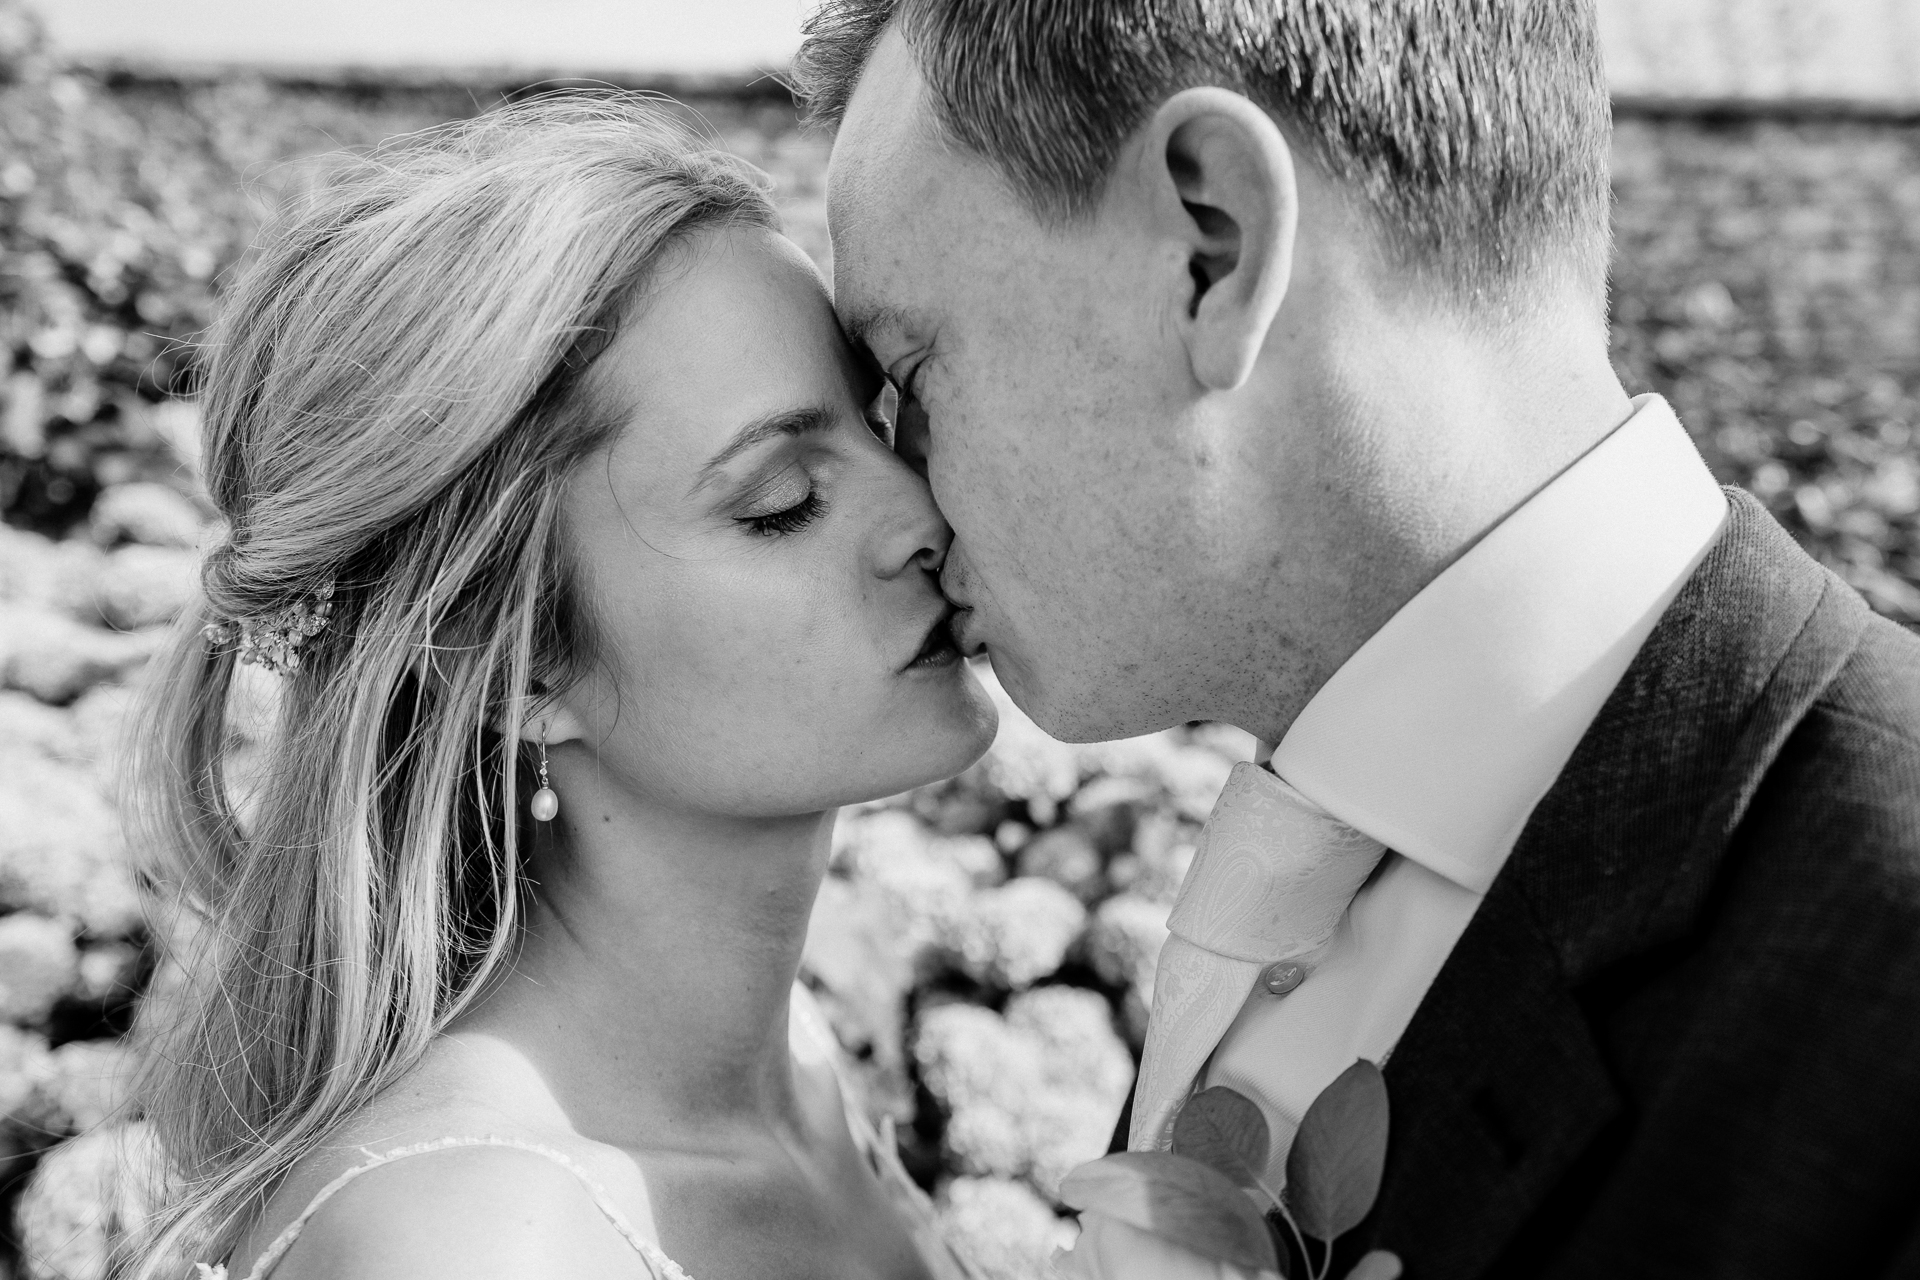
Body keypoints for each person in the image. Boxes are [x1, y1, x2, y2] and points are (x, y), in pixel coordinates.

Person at [800, 2, 1920, 1278]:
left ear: (1211, 248)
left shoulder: (1883, 968)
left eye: (914, 368)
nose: (907, 494)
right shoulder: (1310, 860)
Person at [126, 96, 996, 1280]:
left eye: (889, 420)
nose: (924, 513)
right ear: (513, 656)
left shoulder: (792, 1063)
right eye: (781, 499)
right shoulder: (476, 1243)